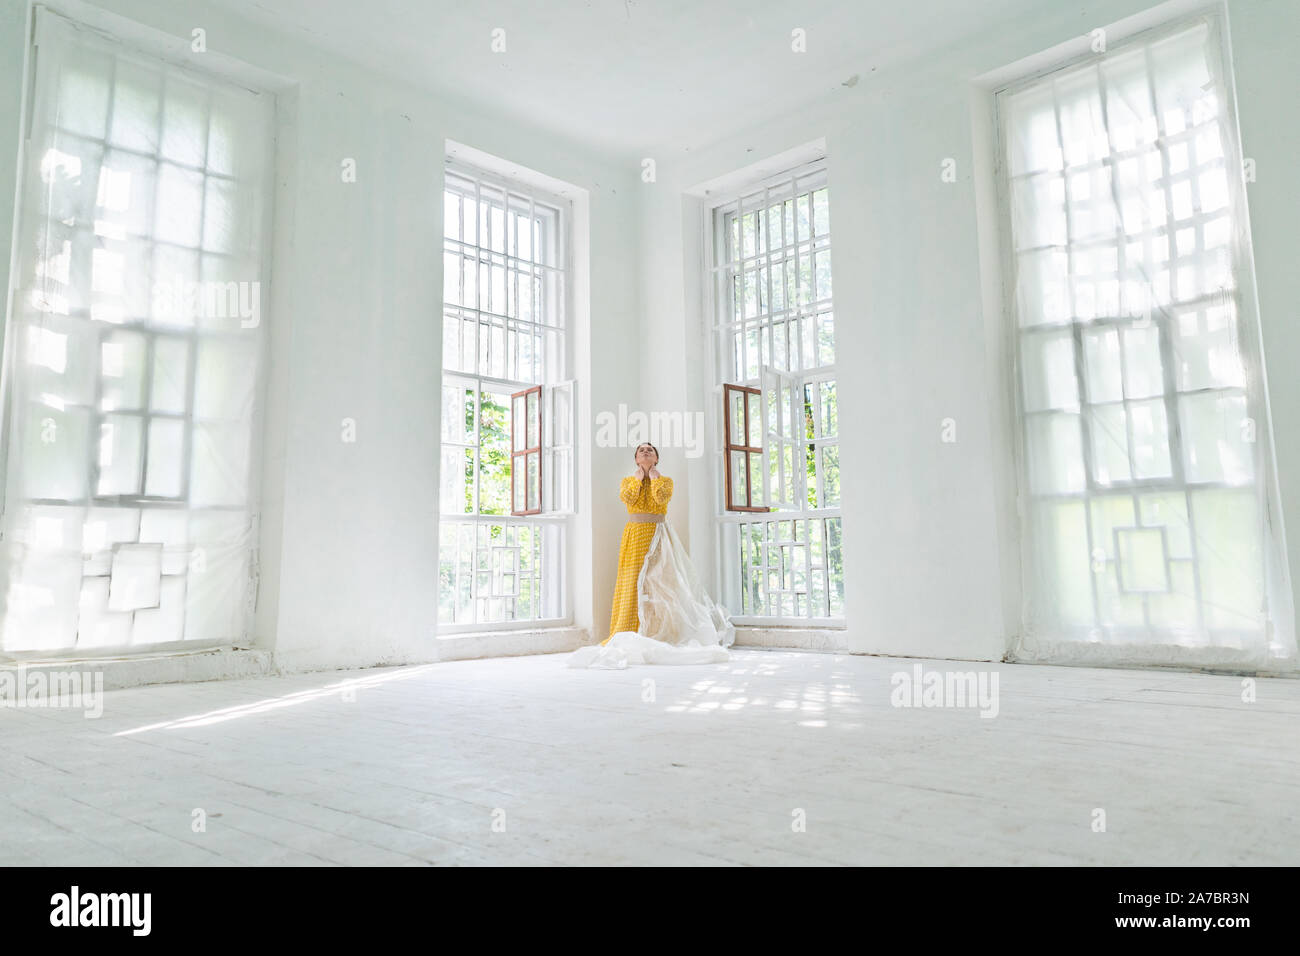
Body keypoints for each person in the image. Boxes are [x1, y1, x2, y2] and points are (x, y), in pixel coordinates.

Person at [569, 442, 735, 668]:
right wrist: (639, 478)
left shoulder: (665, 481)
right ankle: (630, 628)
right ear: (636, 459)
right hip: (635, 535)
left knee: (661, 583)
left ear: (656, 458)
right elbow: (627, 499)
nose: (645, 452)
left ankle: (659, 630)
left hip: (658, 534)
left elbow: (661, 499)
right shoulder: (628, 481)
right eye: (641, 451)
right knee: (632, 582)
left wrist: (654, 477)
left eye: (650, 450)